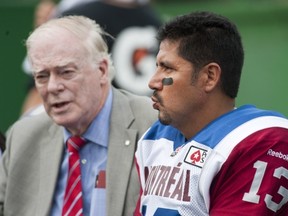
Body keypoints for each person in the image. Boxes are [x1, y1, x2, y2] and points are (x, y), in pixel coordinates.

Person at [134, 11, 288, 216]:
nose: (153, 82)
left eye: (167, 68)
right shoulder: (154, 138)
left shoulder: (261, 141)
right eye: (157, 66)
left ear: (209, 77)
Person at [0, 15, 157, 216]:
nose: (53, 87)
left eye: (66, 72)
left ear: (102, 70)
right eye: (42, 76)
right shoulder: (23, 136)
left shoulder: (154, 127)